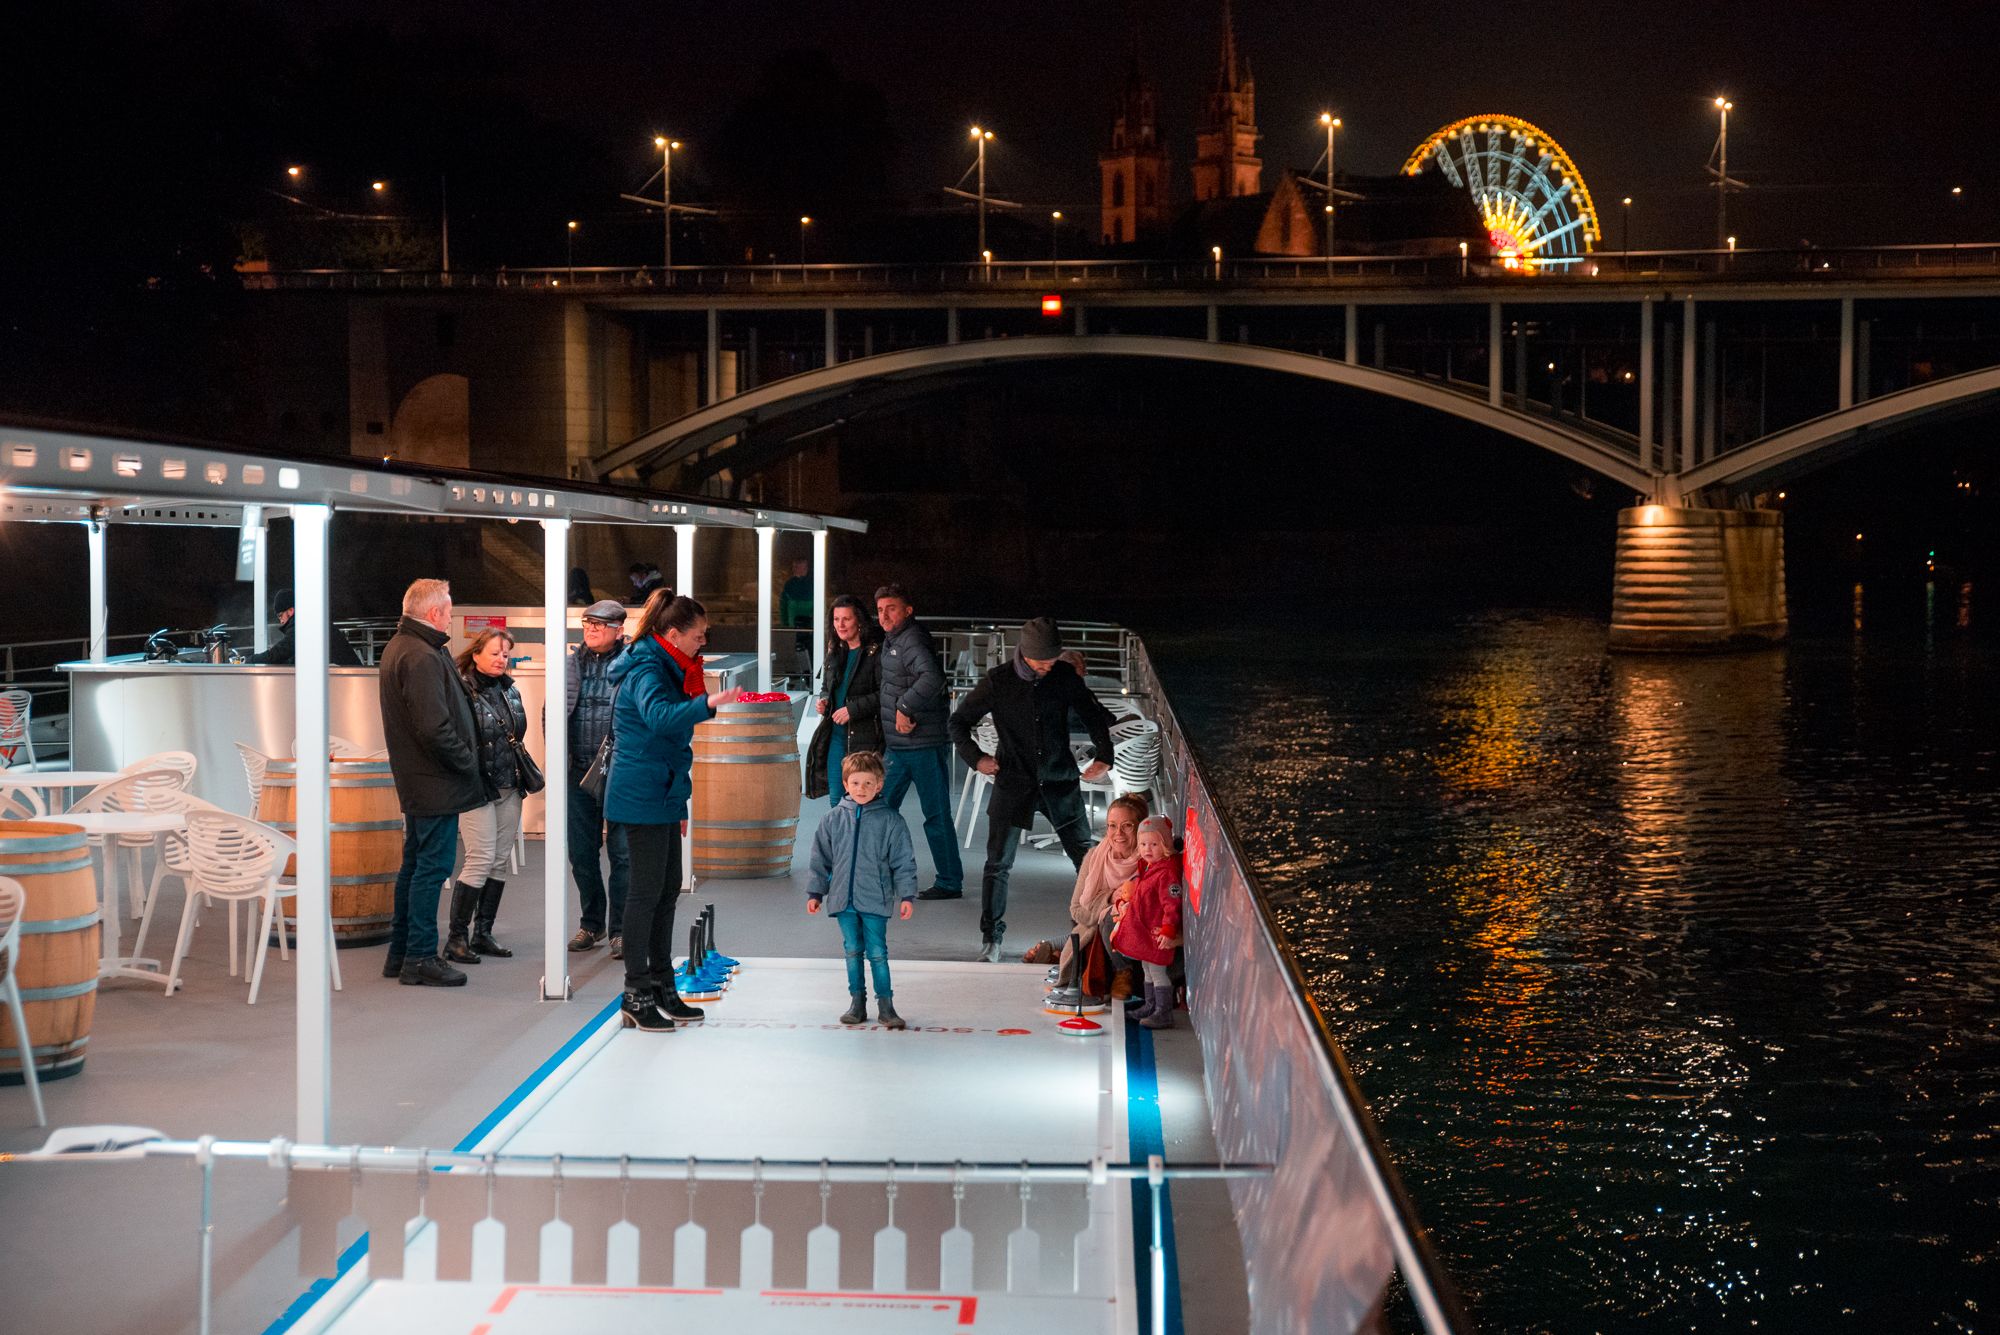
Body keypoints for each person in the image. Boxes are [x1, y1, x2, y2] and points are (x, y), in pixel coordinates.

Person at [605, 592, 742, 1032]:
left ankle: (662, 984)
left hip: (660, 790)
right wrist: (707, 705)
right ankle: (635, 990)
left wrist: (677, 799)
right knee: (645, 892)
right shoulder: (647, 667)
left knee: (666, 890)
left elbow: (669, 744)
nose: (702, 643)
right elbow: (661, 719)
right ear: (673, 634)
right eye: (698, 636)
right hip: (639, 792)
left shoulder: (666, 663)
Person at [949, 617, 1115, 962]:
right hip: (1014, 783)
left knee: (1087, 861)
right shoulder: (998, 682)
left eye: (1053, 659)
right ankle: (991, 939)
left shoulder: (1065, 677)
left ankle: (1088, 934)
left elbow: (1095, 714)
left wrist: (1105, 756)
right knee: (997, 864)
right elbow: (957, 722)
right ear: (1023, 653)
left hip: (1059, 781)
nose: (1047, 666)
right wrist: (976, 758)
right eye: (1042, 660)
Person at [377, 578, 484, 987]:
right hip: (435, 780)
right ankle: (420, 956)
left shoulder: (403, 647)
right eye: (450, 612)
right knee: (431, 869)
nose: (452, 618)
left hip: (422, 779)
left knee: (415, 866)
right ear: (434, 613)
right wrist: (468, 763)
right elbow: (434, 728)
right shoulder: (421, 655)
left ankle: (402, 952)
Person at [805, 750, 917, 1028]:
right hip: (843, 899)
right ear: (845, 784)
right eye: (855, 783)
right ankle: (857, 1003)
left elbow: (903, 861)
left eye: (868, 783)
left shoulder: (891, 821)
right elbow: (820, 858)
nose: (861, 789)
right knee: (852, 950)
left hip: (875, 899)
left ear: (879, 785)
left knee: (877, 952)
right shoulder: (832, 820)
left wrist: (906, 895)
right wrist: (816, 893)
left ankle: (886, 1006)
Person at [874, 584, 963, 901]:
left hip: (924, 745)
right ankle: (875, 874)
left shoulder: (911, 639)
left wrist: (904, 707)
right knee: (877, 807)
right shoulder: (893, 639)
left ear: (908, 610)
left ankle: (950, 882)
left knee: (936, 815)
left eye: (891, 608)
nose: (884, 615)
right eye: (881, 609)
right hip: (899, 745)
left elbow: (933, 677)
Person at [444, 627, 528, 966]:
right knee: (479, 858)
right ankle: (456, 938)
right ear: (476, 653)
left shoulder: (511, 691)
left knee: (498, 860)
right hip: (476, 788)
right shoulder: (461, 691)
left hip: (510, 785)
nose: (501, 659)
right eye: (494, 652)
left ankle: (483, 932)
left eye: (505, 654)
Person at [565, 600, 633, 957]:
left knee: (622, 855)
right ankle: (591, 923)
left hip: (619, 772)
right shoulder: (571, 664)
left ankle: (620, 929)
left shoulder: (632, 664)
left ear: (618, 629)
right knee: (581, 854)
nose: (590, 629)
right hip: (578, 771)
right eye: (587, 623)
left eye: (599, 624)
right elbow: (554, 712)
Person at [1044, 794, 1147, 1009]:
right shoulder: (1094, 856)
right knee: (1101, 923)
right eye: (1112, 826)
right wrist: (1110, 898)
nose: (1117, 834)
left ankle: (1124, 973)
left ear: (1141, 828)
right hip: (1094, 934)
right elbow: (1076, 911)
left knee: (1112, 919)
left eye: (1127, 826)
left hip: (1137, 940)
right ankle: (1051, 949)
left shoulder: (1150, 859)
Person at [807, 595, 883, 806]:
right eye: (836, 619)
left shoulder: (875, 652)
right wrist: (824, 702)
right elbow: (826, 688)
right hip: (835, 737)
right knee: (836, 800)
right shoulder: (835, 652)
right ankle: (842, 839)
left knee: (862, 802)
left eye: (846, 619)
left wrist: (852, 709)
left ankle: (860, 839)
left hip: (864, 738)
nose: (840, 624)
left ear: (859, 621)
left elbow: (884, 694)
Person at [1110, 815, 1184, 1029]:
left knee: (1158, 972)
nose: (1147, 849)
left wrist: (1169, 930)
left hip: (1157, 933)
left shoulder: (1167, 873)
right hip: (1145, 933)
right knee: (1148, 969)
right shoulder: (1149, 867)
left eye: (1154, 844)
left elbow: (1172, 904)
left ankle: (1163, 1011)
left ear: (1166, 845)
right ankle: (1150, 1006)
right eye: (1143, 844)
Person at [246, 588, 362, 667]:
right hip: (343, 674)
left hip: (343, 677)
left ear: (291, 611)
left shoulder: (302, 624)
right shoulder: (309, 620)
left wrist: (248, 661)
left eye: (281, 615)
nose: (280, 621)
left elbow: (281, 652)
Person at [779, 557, 814, 651]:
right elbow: (783, 604)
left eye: (798, 566)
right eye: (794, 567)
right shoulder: (789, 584)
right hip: (793, 626)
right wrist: (785, 623)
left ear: (805, 567)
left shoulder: (813, 583)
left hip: (811, 625)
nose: (795, 569)